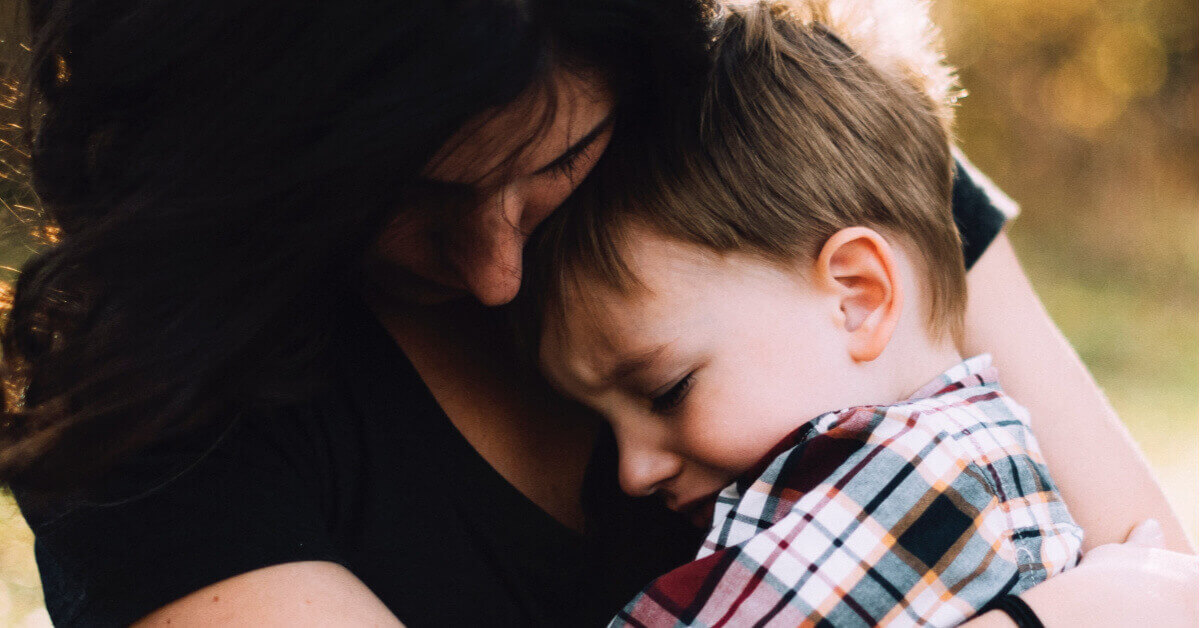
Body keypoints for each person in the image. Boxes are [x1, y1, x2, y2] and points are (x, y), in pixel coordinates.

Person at [0, 0, 1192, 627]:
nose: (495, 270)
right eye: (399, 197)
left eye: (556, 159)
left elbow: (1167, 585)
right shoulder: (156, 410)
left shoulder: (782, 157)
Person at [524, 1, 1082, 624]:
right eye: (604, 422)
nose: (632, 472)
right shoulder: (967, 459)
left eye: (667, 391)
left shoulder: (913, 488)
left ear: (857, 298)